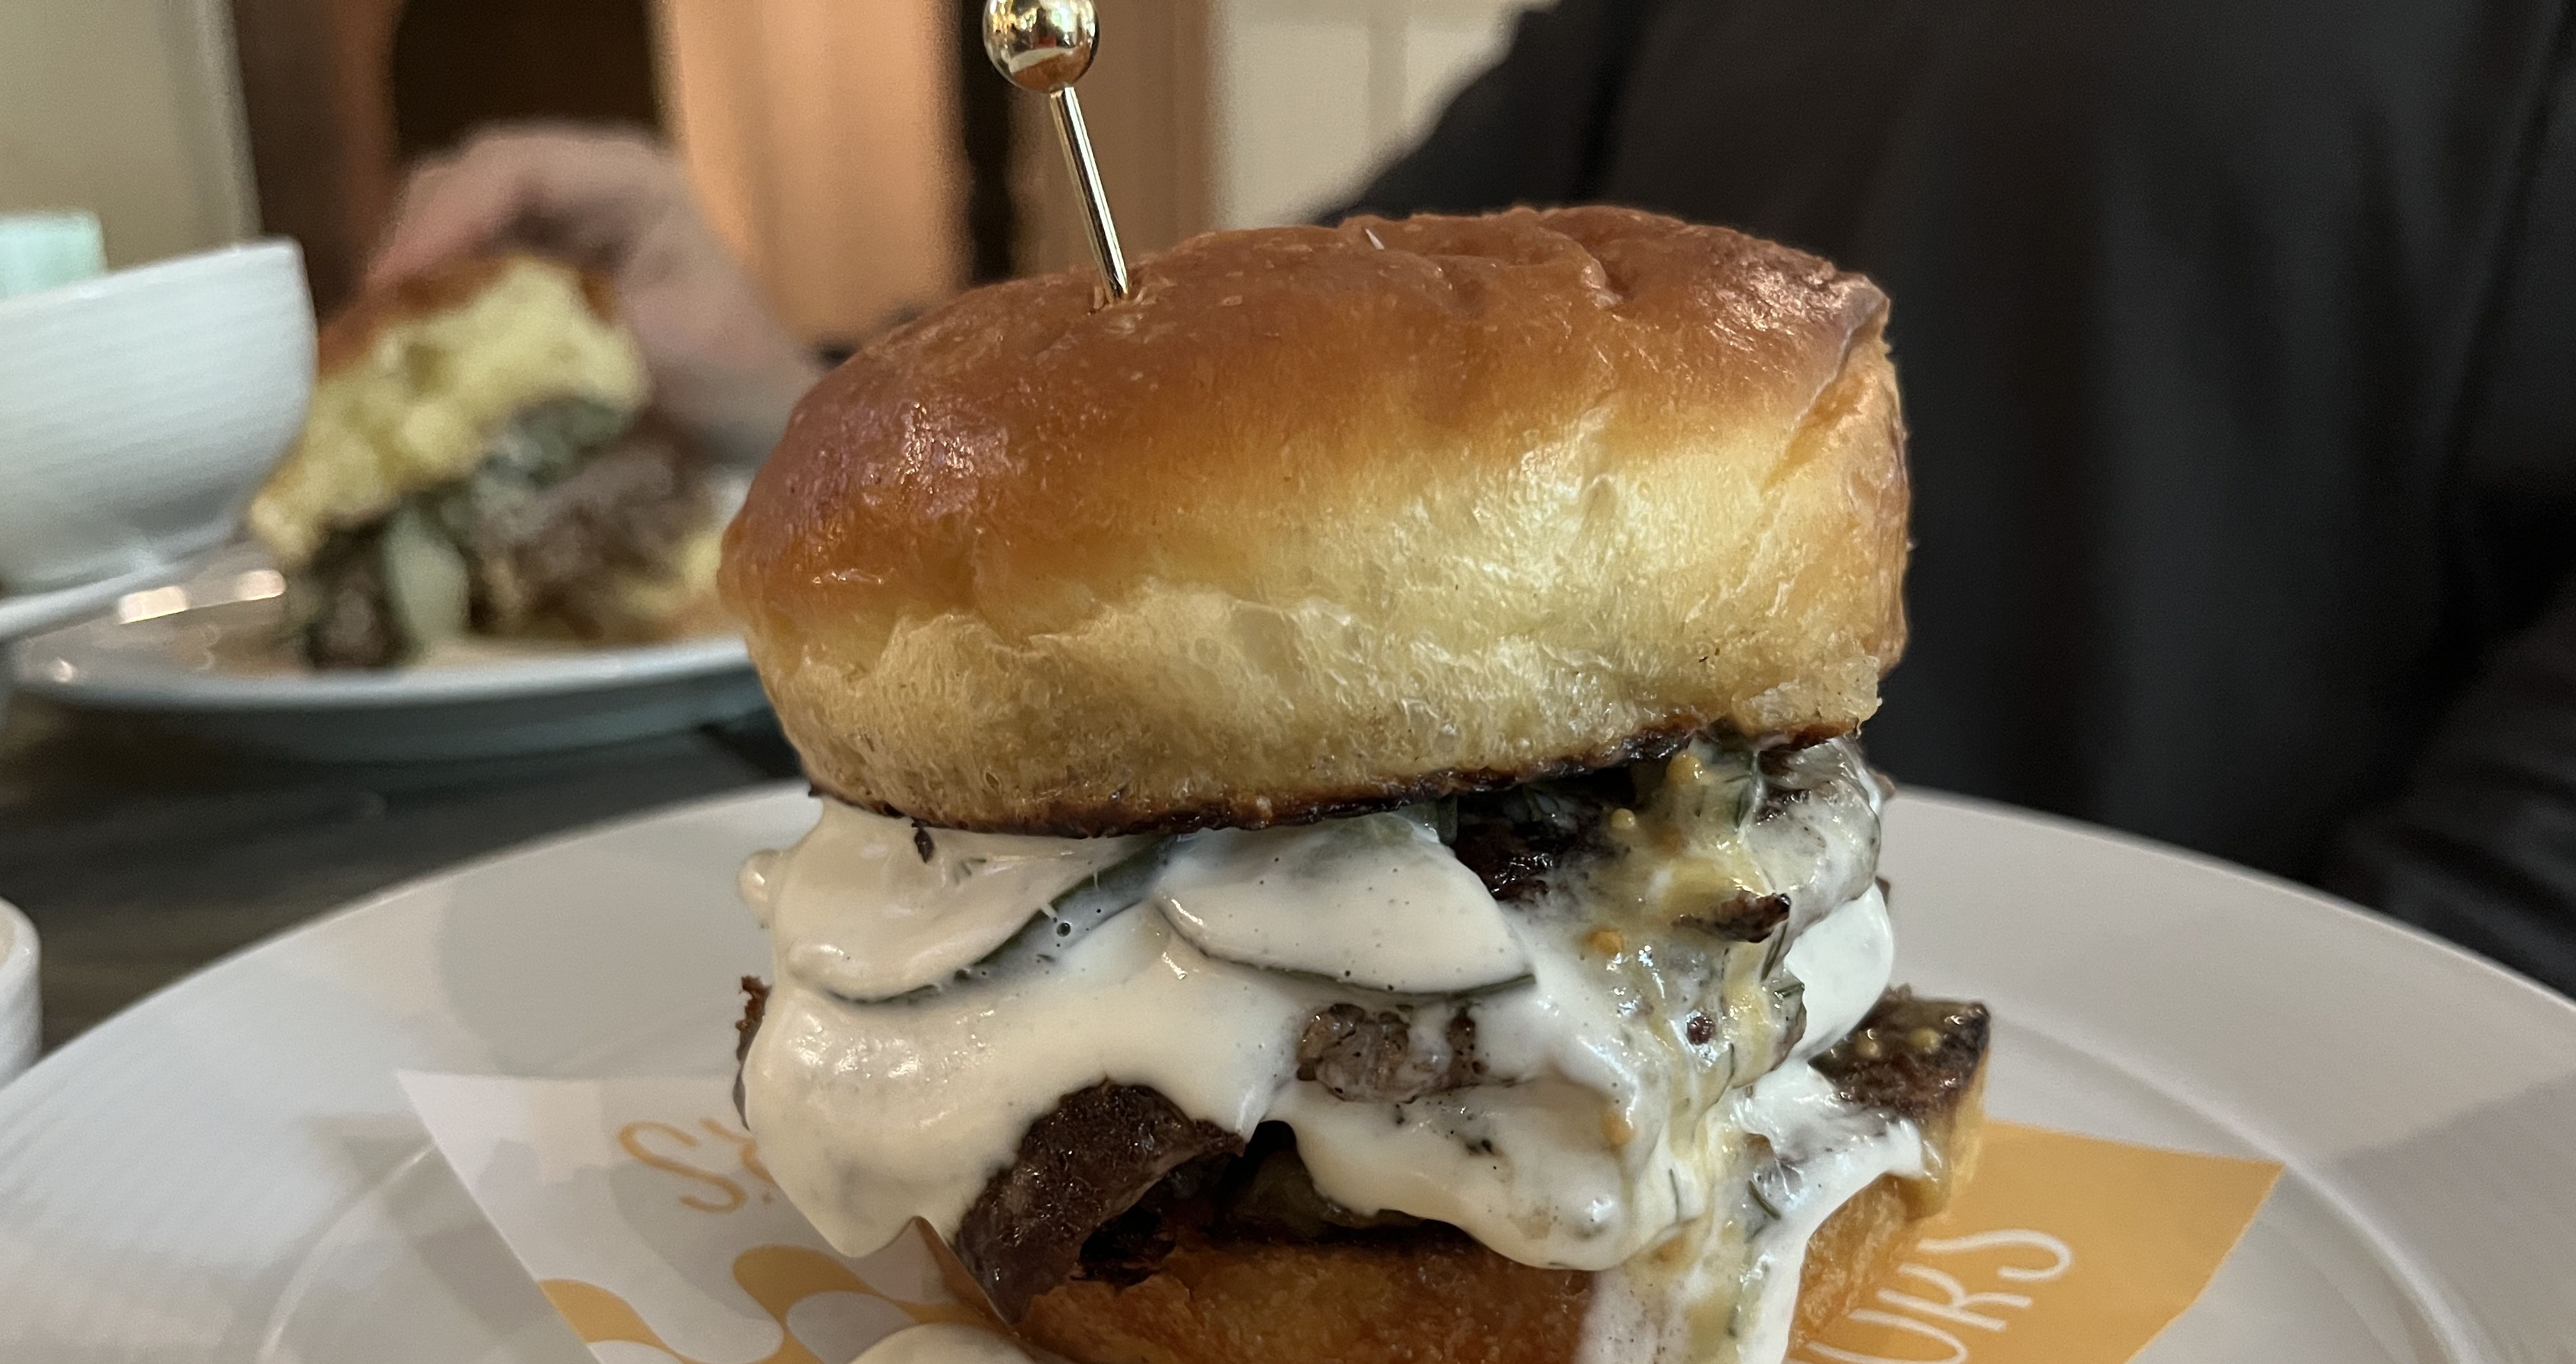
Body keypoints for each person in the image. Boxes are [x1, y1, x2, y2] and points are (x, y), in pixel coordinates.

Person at [369, 0, 2576, 995]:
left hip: (2183, 995)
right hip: (1299, 933)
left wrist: (2311, 1041)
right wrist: (781, 374)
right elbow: (1251, 373)